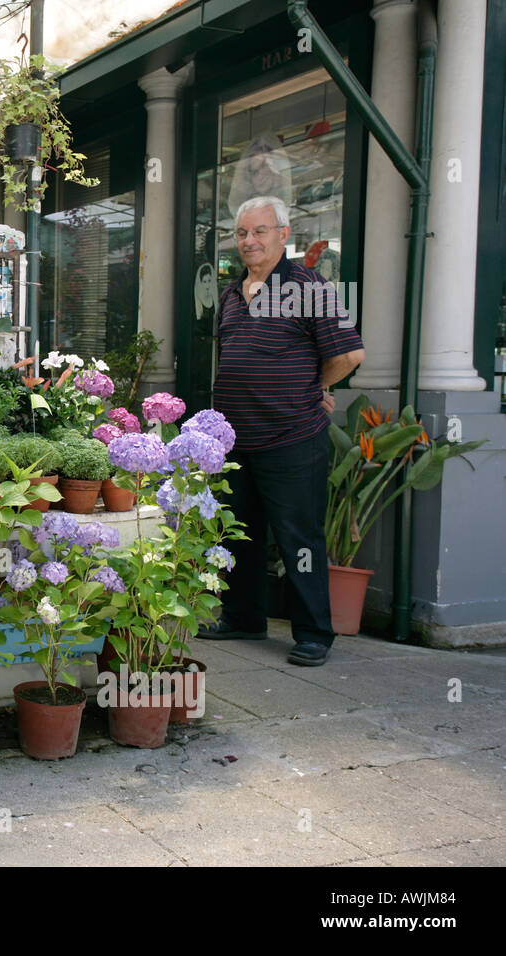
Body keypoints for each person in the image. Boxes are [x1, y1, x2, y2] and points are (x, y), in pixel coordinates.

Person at [198, 196, 365, 666]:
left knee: (299, 539)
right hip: (237, 438)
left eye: (260, 231)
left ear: (283, 234)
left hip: (291, 435)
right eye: (242, 233)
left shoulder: (308, 286)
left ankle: (314, 633)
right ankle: (243, 617)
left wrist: (315, 387)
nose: (249, 241)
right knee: (239, 533)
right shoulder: (233, 295)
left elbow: (350, 354)